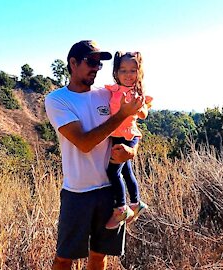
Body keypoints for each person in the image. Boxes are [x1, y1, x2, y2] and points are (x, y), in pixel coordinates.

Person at [45, 40, 145, 270]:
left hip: (110, 191)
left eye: (99, 64)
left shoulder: (106, 94)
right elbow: (84, 143)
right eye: (91, 62)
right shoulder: (57, 100)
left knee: (99, 256)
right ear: (73, 63)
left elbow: (132, 128)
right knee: (64, 258)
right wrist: (120, 115)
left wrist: (132, 150)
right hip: (77, 192)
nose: (96, 68)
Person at [104, 51, 153, 229]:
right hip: (116, 134)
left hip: (128, 135)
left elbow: (144, 113)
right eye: (123, 70)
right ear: (116, 72)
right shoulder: (114, 90)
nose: (128, 74)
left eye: (132, 70)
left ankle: (121, 208)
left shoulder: (136, 93)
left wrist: (137, 108)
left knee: (113, 172)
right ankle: (136, 202)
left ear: (139, 72)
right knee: (126, 171)